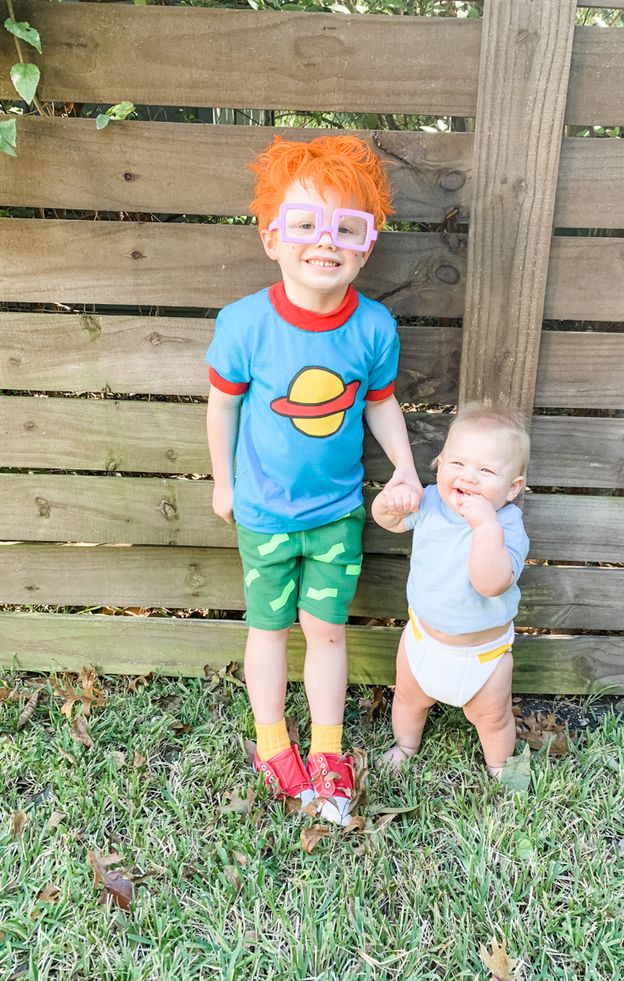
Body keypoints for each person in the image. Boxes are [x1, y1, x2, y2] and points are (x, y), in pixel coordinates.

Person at [206, 135, 421, 825]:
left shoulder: (374, 328)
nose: (323, 243)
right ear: (271, 236)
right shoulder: (243, 324)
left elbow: (380, 402)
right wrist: (222, 482)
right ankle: (274, 744)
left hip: (336, 517)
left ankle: (327, 748)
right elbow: (224, 403)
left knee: (326, 630)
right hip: (265, 516)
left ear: (367, 244)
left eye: (345, 228)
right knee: (268, 629)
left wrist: (407, 470)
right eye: (305, 224)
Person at [372, 402, 530, 778]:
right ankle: (406, 746)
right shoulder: (428, 503)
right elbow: (388, 523)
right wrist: (388, 502)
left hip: (482, 657)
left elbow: (490, 584)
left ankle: (499, 767)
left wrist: (485, 527)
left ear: (513, 488)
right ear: (439, 465)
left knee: (492, 718)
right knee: (409, 699)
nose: (469, 477)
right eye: (457, 464)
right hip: (422, 640)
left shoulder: (507, 526)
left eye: (486, 470)